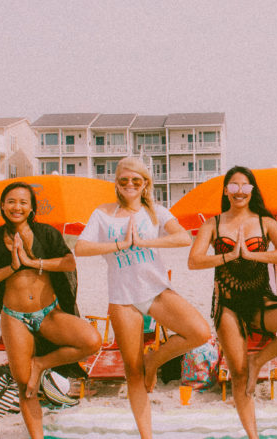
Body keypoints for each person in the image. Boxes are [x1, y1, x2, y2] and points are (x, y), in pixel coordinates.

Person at [75, 157, 210, 439]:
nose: (130, 185)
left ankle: (154, 361)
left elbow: (183, 238)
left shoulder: (156, 212)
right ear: (116, 183)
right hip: (122, 298)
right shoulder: (104, 213)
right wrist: (119, 245)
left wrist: (144, 242)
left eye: (136, 180)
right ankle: (146, 435)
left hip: (156, 290)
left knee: (199, 332)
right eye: (124, 180)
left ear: (145, 183)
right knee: (132, 372)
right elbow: (81, 247)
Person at [188, 166, 277, 439]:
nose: (240, 191)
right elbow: (194, 260)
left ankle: (259, 361)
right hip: (228, 303)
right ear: (226, 191)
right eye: (234, 186)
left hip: (259, 298)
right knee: (238, 373)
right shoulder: (213, 224)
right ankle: (252, 435)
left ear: (252, 190)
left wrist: (252, 256)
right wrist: (228, 257)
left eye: (245, 186)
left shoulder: (266, 223)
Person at [0, 182, 101, 439]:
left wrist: (32, 262)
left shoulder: (46, 234)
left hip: (48, 313)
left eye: (22, 202)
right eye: (11, 201)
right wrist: (13, 266)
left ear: (31, 208)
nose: (16, 207)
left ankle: (40, 364)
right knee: (24, 386)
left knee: (91, 340)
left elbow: (68, 262)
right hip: (14, 317)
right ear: (2, 206)